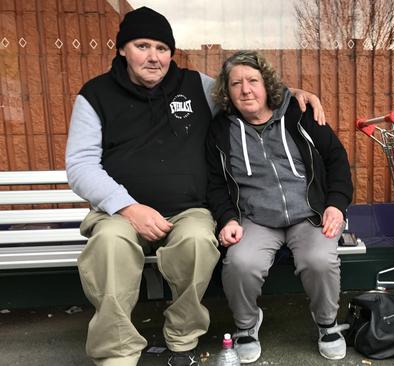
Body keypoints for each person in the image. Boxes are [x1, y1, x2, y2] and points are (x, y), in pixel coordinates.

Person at [65, 7, 325, 366]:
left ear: (171, 52)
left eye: (162, 48)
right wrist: (128, 207)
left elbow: (246, 95)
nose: (154, 57)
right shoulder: (95, 95)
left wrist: (291, 93)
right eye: (142, 45)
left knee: (199, 243)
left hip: (188, 209)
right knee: (109, 246)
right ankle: (116, 349)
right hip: (120, 212)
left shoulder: (197, 86)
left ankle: (182, 334)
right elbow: (79, 165)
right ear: (122, 49)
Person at [206, 51, 353, 363]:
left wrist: (336, 205)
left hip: (309, 213)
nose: (246, 90)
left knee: (319, 260)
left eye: (253, 81)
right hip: (256, 218)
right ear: (227, 92)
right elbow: (215, 183)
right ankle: (247, 325)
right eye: (236, 84)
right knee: (240, 263)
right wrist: (227, 219)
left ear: (266, 84)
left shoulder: (299, 114)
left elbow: (337, 160)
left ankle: (326, 323)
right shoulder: (221, 130)